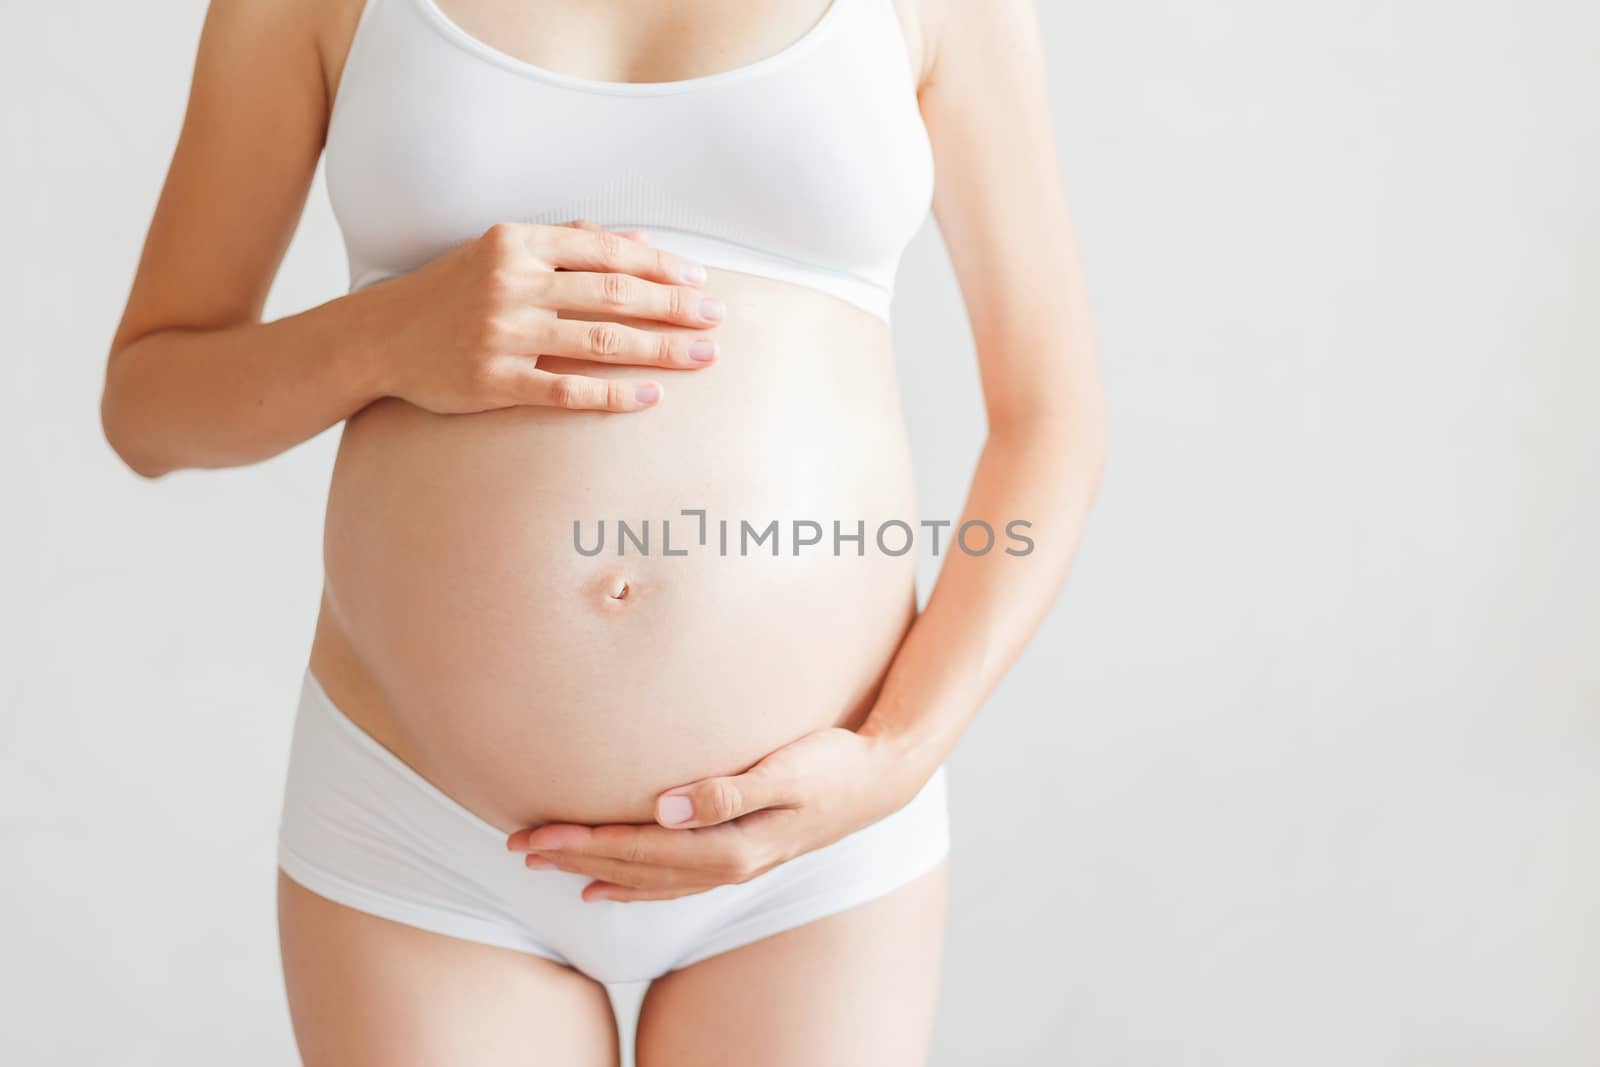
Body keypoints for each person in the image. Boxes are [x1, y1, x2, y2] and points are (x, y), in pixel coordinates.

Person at [100, 0, 1106, 1062]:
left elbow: (1051, 420)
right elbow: (149, 406)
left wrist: (895, 757)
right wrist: (383, 337)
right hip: (425, 835)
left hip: (810, 850)